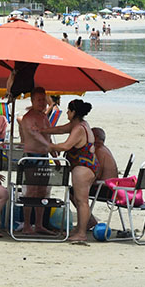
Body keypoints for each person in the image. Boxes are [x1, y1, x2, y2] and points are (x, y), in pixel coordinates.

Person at [49, 99, 98, 242]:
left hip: (83, 168)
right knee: (77, 198)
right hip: (86, 166)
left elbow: (65, 146)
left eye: (68, 110)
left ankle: (81, 234)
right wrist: (42, 130)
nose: (66, 113)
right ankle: (82, 227)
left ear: (74, 112)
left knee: (82, 201)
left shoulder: (78, 129)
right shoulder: (79, 124)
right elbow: (59, 129)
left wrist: (49, 146)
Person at [18, 87, 54, 235]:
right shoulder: (28, 118)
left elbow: (48, 137)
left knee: (43, 191)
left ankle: (39, 224)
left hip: (44, 156)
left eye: (44, 100)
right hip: (32, 156)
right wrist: (51, 147)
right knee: (31, 191)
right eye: (39, 100)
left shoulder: (44, 117)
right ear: (32, 100)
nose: (42, 103)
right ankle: (27, 225)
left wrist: (55, 155)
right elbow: (36, 136)